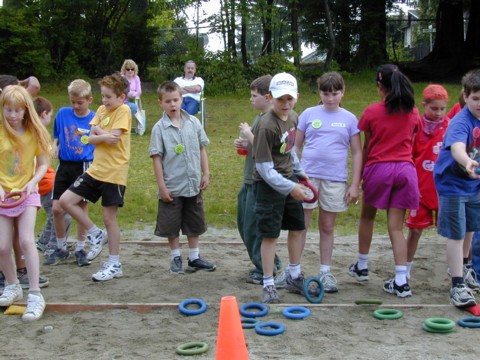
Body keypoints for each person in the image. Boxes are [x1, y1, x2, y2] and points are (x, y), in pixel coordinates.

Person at [347, 64, 421, 298]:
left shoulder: (371, 111)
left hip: (379, 169)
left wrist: (358, 178)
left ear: (380, 86)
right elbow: (412, 140)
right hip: (406, 170)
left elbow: (368, 146)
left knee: (368, 216)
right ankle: (401, 280)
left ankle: (362, 265)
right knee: (396, 227)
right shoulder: (413, 111)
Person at [253, 72, 319, 304]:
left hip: (290, 179)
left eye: (290, 99)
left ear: (297, 97)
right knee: (270, 235)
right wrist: (290, 188)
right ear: (270, 98)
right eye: (281, 99)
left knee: (297, 228)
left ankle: (293, 275)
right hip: (269, 186)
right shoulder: (265, 126)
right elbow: (263, 168)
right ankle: (269, 283)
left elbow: (289, 149)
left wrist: (299, 172)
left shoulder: (294, 118)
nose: (286, 103)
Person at [59, 73, 131, 281]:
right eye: (103, 96)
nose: (105, 101)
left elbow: (113, 140)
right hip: (95, 170)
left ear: (121, 97)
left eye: (109, 97)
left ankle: (114, 263)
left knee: (110, 218)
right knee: (66, 200)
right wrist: (102, 135)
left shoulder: (123, 110)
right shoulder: (100, 110)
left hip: (114, 172)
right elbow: (89, 139)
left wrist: (100, 132)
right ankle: (95, 232)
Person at [294, 72, 362, 293]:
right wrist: (295, 175)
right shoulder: (308, 114)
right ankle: (294, 270)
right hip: (307, 177)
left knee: (327, 226)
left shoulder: (350, 119)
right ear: (319, 93)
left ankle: (325, 270)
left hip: (335, 179)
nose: (330, 98)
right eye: (326, 93)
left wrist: (354, 184)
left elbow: (357, 152)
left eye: (335, 93)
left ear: (342, 92)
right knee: (300, 225)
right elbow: (296, 146)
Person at [149, 81, 216, 274]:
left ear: (181, 100)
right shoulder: (159, 129)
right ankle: (176, 257)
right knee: (171, 223)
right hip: (172, 185)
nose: (172, 105)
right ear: (160, 103)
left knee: (194, 221)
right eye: (168, 101)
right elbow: (156, 158)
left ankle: (194, 257)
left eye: (176, 100)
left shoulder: (193, 123)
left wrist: (206, 172)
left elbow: (202, 148)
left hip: (192, 184)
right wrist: (162, 186)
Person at [0, 85, 51, 321]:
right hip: (3, 194)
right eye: (8, 110)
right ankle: (12, 285)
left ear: (25, 111)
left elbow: (42, 164)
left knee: (26, 240)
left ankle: (35, 293)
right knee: (2, 246)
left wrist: (33, 182)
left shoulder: (34, 132)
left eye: (16, 111)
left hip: (27, 192)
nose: (12, 115)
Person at [433, 69, 480, 307]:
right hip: (452, 183)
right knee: (457, 233)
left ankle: (466, 267)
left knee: (471, 227)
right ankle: (457, 284)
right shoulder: (461, 122)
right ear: (465, 96)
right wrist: (467, 161)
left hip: (474, 184)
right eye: (476, 98)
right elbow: (457, 148)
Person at [234, 75, 282, 284]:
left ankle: (265, 268)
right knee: (243, 224)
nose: (251, 99)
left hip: (259, 181)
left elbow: (268, 148)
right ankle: (271, 261)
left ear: (268, 97)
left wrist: (248, 134)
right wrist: (246, 145)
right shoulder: (259, 118)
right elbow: (256, 148)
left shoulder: (271, 119)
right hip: (248, 179)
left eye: (255, 96)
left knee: (253, 228)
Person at [45, 79, 95, 266]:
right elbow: (56, 136)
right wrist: (55, 146)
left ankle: (81, 248)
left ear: (89, 99)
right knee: (57, 207)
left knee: (80, 208)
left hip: (83, 166)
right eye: (72, 102)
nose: (75, 106)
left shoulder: (94, 118)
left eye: (79, 103)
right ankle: (61, 247)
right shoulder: (63, 113)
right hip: (64, 166)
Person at [405, 85, 450, 281]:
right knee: (415, 231)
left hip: (444, 190)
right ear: (424, 106)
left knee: (455, 232)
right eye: (434, 109)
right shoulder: (417, 126)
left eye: (442, 109)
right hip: (421, 189)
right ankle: (404, 269)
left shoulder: (450, 126)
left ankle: (458, 268)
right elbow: (409, 155)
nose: (438, 113)